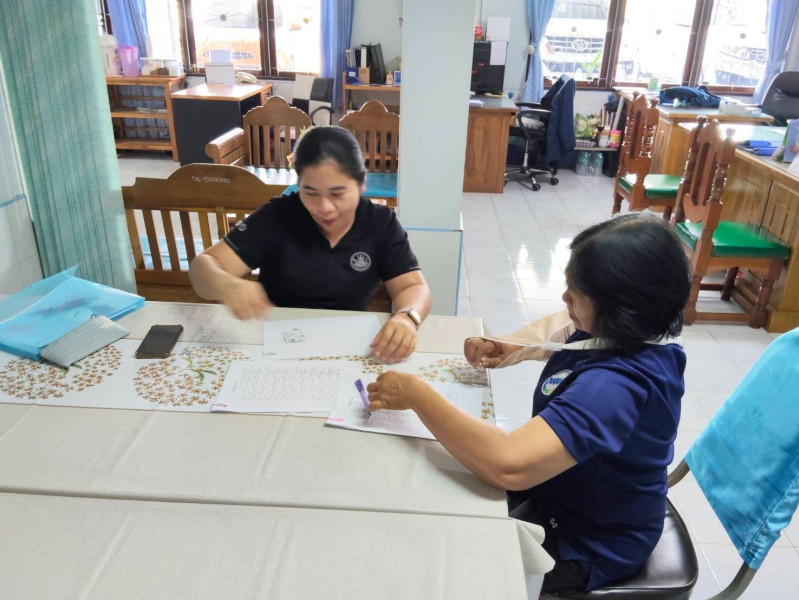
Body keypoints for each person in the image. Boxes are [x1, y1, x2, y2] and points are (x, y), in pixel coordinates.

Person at [366, 213, 691, 593]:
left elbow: (508, 465)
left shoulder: (612, 388)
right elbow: (563, 325)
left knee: (446, 567)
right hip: (561, 493)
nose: (565, 298)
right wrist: (512, 345)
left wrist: (416, 395)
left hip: (588, 540)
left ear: (619, 307)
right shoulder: (629, 333)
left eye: (576, 291)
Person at [189, 126, 431, 363]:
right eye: (311, 193)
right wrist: (226, 285)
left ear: (361, 183)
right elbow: (203, 267)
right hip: (276, 341)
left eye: (337, 194)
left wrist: (407, 317)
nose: (324, 207)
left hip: (346, 342)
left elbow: (412, 287)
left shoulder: (380, 223)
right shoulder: (278, 216)